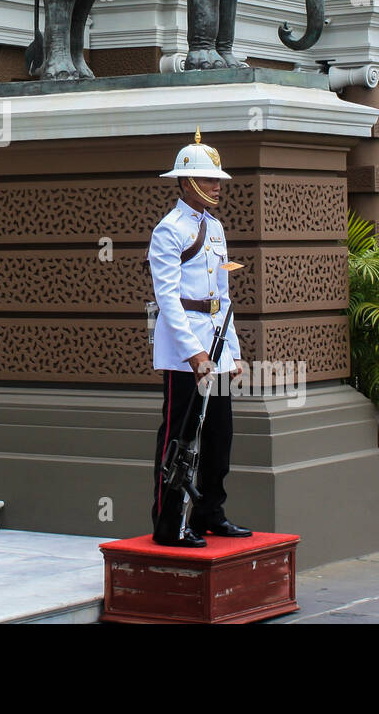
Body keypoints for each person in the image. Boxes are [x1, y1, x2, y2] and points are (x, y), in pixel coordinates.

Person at [148, 128, 252, 547]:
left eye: (217, 180)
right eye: (210, 179)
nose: (217, 186)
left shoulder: (215, 228)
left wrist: (233, 352)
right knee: (180, 438)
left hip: (217, 348)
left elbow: (223, 297)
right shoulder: (169, 230)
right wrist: (193, 354)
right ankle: (169, 523)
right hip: (185, 353)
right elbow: (167, 298)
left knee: (219, 437)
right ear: (187, 182)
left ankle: (211, 512)